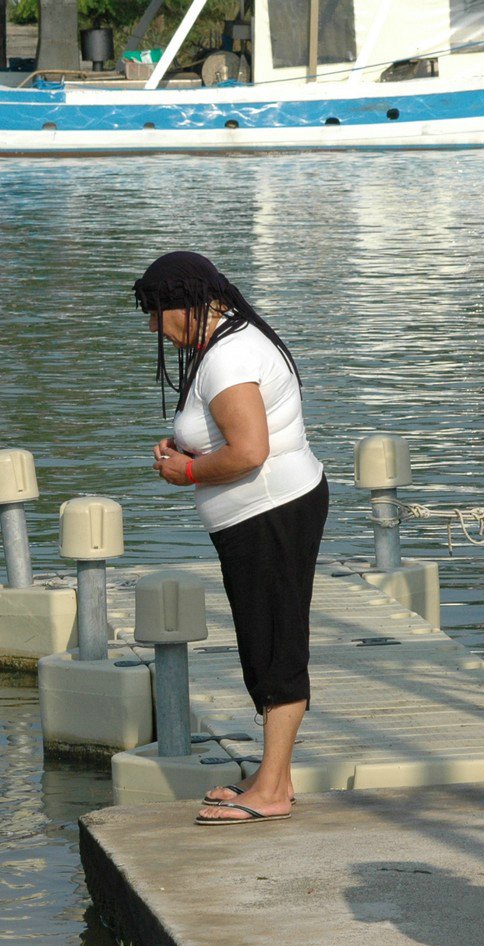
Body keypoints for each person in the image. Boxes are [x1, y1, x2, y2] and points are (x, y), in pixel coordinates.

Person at [132, 251, 328, 827]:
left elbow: (249, 452)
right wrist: (190, 452)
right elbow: (235, 438)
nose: (152, 327)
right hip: (265, 512)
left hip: (272, 512)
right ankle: (274, 776)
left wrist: (186, 472)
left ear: (183, 303)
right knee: (263, 644)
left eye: (154, 313)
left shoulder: (231, 355)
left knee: (276, 647)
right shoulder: (229, 339)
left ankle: (271, 791)